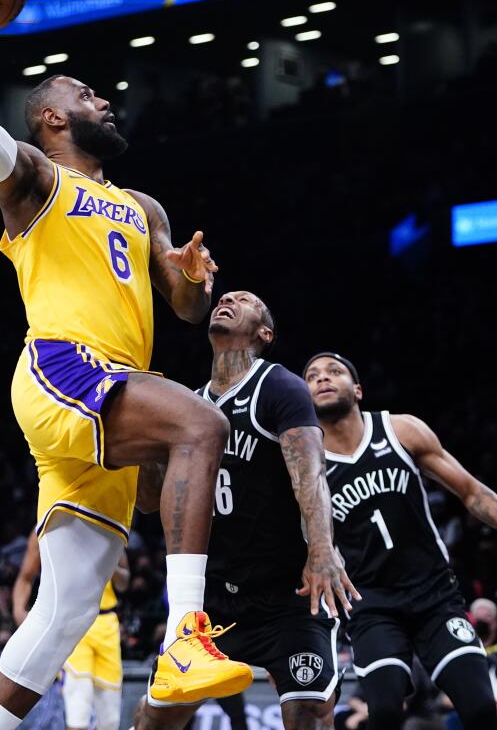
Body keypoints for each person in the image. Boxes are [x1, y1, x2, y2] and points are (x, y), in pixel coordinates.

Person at [0, 0, 251, 730]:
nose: (106, 101)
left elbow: (185, 314)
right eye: (87, 94)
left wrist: (193, 284)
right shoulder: (36, 179)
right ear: (52, 117)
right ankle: (182, 640)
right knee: (202, 425)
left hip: (113, 394)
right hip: (66, 368)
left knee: (64, 613)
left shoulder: (142, 206)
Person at [135, 292, 358, 730]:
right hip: (213, 599)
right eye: (225, 296)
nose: (228, 299)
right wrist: (146, 444)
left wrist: (321, 548)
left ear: (264, 333)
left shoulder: (278, 386)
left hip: (285, 595)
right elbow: (147, 501)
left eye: (245, 300)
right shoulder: (186, 406)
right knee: (154, 720)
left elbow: (310, 474)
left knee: (309, 713)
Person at [303, 352, 497, 730]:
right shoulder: (306, 464)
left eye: (334, 372)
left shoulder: (401, 430)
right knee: (385, 712)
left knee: (480, 709)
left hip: (434, 596)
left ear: (357, 390)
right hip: (370, 604)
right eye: (311, 376)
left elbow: (470, 492)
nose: (322, 379)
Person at [13, 530, 129, 730]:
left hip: (107, 624)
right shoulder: (48, 525)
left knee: (110, 719)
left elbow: (124, 582)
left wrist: (111, 565)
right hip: (73, 621)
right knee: (78, 710)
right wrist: (19, 612)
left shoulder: (111, 524)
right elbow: (25, 577)